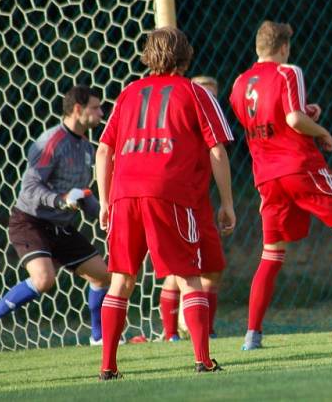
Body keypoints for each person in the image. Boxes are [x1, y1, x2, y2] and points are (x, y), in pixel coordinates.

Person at [95, 26, 236, 379]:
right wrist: (227, 202)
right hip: (169, 192)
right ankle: (203, 360)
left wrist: (104, 200)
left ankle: (108, 366)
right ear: (186, 56)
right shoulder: (195, 92)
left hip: (125, 192)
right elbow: (217, 149)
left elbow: (103, 149)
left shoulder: (128, 93)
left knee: (121, 281)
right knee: (189, 276)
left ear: (148, 56)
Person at [229, 20, 332, 351]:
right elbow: (292, 120)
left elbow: (266, 120)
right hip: (299, 167)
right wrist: (320, 130)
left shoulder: (239, 84)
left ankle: (252, 336)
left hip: (265, 176)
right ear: (283, 48)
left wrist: (305, 111)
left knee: (272, 254)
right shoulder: (287, 72)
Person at [0, 85, 109, 353]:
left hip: (61, 226)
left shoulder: (85, 146)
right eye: (95, 108)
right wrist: (60, 200)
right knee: (44, 280)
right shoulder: (51, 142)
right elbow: (31, 188)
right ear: (77, 110)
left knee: (103, 276)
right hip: (30, 221)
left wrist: (104, 213)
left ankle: (98, 338)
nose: (101, 113)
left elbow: (81, 194)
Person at [159, 75, 228, 341]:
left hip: (202, 206)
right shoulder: (176, 128)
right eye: (203, 94)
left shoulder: (212, 131)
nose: (208, 100)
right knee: (179, 269)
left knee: (214, 267)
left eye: (213, 96)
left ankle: (206, 330)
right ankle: (170, 334)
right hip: (177, 204)